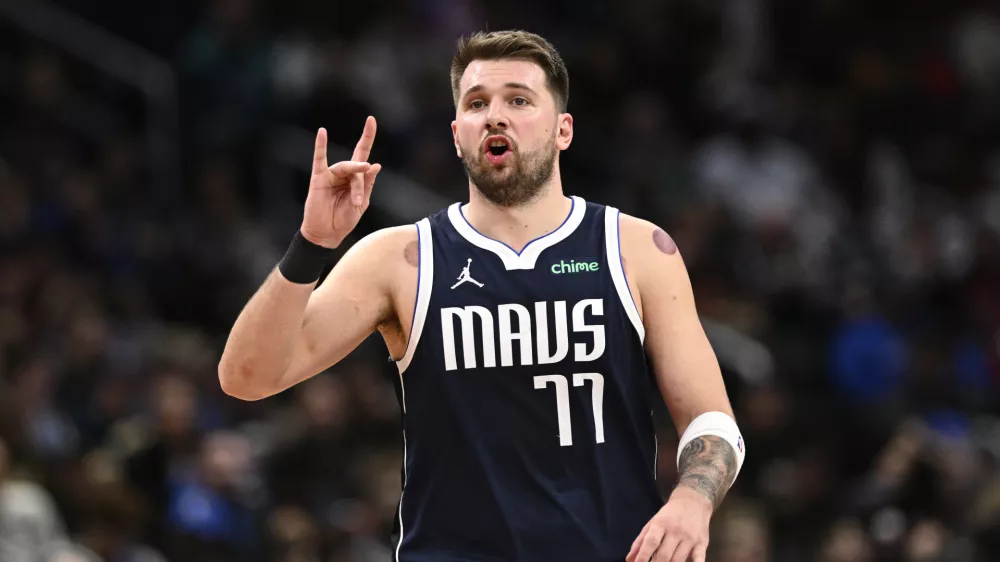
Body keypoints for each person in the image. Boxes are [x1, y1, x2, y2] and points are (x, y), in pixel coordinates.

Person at [219, 30, 746, 562]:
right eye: (477, 104)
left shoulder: (637, 250)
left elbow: (712, 421)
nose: (495, 116)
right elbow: (246, 377)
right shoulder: (400, 258)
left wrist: (691, 500)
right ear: (456, 133)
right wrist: (312, 243)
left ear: (563, 129)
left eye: (518, 99)